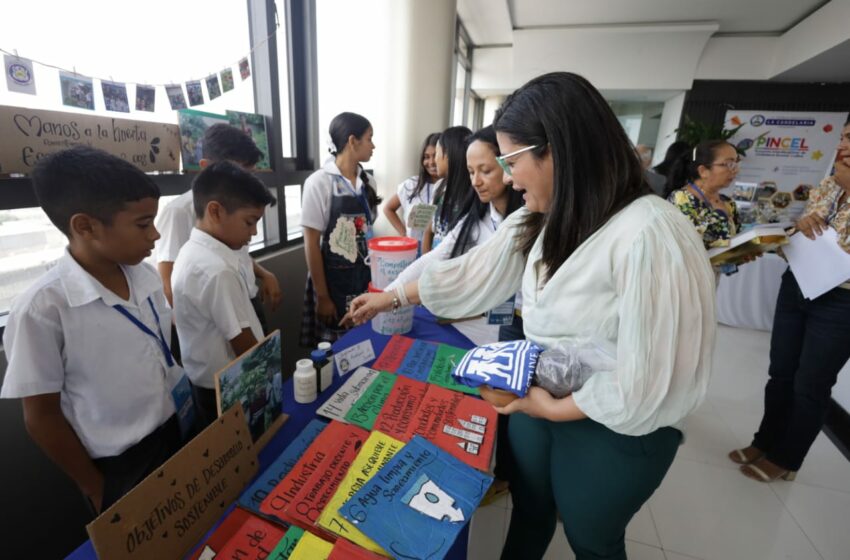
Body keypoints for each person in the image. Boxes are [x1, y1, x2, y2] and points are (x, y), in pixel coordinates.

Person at [344, 72, 716, 560]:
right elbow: (468, 273)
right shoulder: (541, 217)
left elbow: (659, 375)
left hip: (614, 426)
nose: (509, 178)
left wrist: (551, 407)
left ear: (557, 151)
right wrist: (392, 297)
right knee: (530, 510)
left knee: (592, 538)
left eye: (512, 161)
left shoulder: (651, 232)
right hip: (537, 402)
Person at [1, 146, 185, 514]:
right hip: (118, 462)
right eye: (142, 223)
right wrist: (97, 487)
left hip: (172, 426)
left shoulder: (143, 274)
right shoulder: (43, 310)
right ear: (85, 226)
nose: (155, 234)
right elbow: (41, 416)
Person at [729, 119, 850, 483]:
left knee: (810, 384)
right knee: (780, 371)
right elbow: (802, 233)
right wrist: (802, 224)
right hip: (797, 284)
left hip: (840, 303)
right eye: (844, 136)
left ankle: (787, 458)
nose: (844, 145)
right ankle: (764, 441)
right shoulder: (829, 185)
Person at [172, 161, 276, 426]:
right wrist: (268, 379)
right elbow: (242, 342)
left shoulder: (193, 251)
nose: (253, 233)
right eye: (249, 222)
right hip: (228, 386)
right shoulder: (216, 271)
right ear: (215, 211)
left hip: (205, 380)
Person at [155, 124, 280, 329]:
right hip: (212, 318)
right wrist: (192, 330)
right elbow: (169, 282)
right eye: (238, 173)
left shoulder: (238, 208)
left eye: (251, 174)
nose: (247, 183)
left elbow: (236, 252)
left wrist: (263, 273)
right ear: (206, 167)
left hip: (247, 296)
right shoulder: (178, 212)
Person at [386, 126, 524, 290]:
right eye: (471, 172)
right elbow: (436, 253)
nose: (476, 182)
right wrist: (388, 294)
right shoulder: (474, 220)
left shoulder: (530, 216)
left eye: (486, 171)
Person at [300, 112, 381, 346]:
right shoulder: (319, 182)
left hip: (363, 277)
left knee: (364, 343)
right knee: (334, 350)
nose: (373, 145)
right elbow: (311, 244)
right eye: (369, 138)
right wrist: (323, 297)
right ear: (352, 141)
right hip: (331, 280)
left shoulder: (369, 182)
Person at [667, 140, 742, 251]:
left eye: (736, 163)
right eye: (729, 164)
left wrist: (742, 253)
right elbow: (691, 245)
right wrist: (720, 214)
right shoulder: (682, 199)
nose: (735, 170)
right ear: (703, 171)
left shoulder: (728, 202)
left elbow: (735, 241)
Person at [421, 126, 474, 253]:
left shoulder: (473, 192)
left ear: (449, 155)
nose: (435, 160)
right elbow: (429, 230)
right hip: (434, 266)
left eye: (437, 154)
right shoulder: (439, 187)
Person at [382, 132, 441, 241]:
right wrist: (404, 234)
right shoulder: (412, 185)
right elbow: (388, 209)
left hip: (440, 251)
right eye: (426, 157)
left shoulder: (451, 186)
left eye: (436, 155)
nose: (431, 162)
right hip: (414, 249)